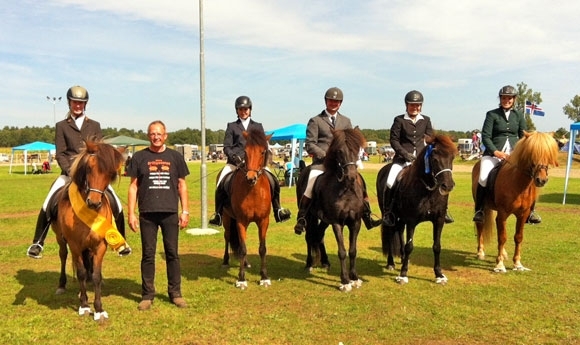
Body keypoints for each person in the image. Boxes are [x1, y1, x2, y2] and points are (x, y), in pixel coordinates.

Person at [26, 85, 130, 259]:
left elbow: (99, 151)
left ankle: (120, 241)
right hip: (68, 175)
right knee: (47, 203)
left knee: (116, 203)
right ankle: (38, 242)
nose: (78, 106)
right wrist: (72, 171)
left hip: (93, 175)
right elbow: (61, 153)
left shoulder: (95, 125)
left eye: (81, 103)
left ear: (85, 104)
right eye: (75, 102)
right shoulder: (61, 126)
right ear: (69, 103)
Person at [293, 87, 382, 234]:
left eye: (337, 101)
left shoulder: (346, 121)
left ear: (340, 103)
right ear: (326, 101)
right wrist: (325, 155)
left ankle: (366, 214)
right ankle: (302, 216)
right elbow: (310, 144)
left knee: (360, 181)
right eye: (331, 100)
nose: (334, 103)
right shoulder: (316, 121)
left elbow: (351, 142)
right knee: (310, 182)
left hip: (342, 163)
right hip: (322, 163)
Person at [127, 120, 190, 310]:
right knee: (148, 255)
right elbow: (133, 186)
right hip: (147, 213)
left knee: (172, 254)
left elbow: (182, 185)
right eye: (152, 133)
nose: (156, 137)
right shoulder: (139, 157)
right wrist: (131, 213)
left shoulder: (175, 157)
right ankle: (147, 295)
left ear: (165, 136)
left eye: (159, 133)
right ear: (148, 136)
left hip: (170, 213)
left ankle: (175, 293)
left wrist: (185, 210)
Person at [208, 96, 291, 226]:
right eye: (241, 109)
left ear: (250, 110)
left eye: (246, 109)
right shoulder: (232, 126)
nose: (244, 111)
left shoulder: (257, 126)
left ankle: (278, 209)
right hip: (235, 163)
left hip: (255, 163)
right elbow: (227, 147)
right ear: (237, 111)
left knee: (273, 179)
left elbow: (263, 145)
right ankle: (218, 214)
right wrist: (235, 157)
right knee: (221, 181)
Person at [382, 90, 454, 226]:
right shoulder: (399, 120)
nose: (415, 108)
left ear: (421, 106)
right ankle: (388, 212)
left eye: (417, 105)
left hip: (423, 162)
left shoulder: (426, 120)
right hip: (402, 160)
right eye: (412, 105)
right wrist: (405, 154)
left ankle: (443, 211)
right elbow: (394, 140)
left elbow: (430, 139)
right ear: (407, 105)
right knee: (391, 181)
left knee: (439, 178)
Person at [473, 85, 541, 224]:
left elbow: (524, 135)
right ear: (500, 99)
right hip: (493, 153)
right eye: (504, 98)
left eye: (509, 98)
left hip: (514, 154)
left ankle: (531, 211)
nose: (506, 100)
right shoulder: (492, 114)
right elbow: (486, 136)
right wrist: (495, 151)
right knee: (483, 176)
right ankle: (480, 210)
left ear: (514, 99)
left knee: (532, 175)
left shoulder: (519, 115)